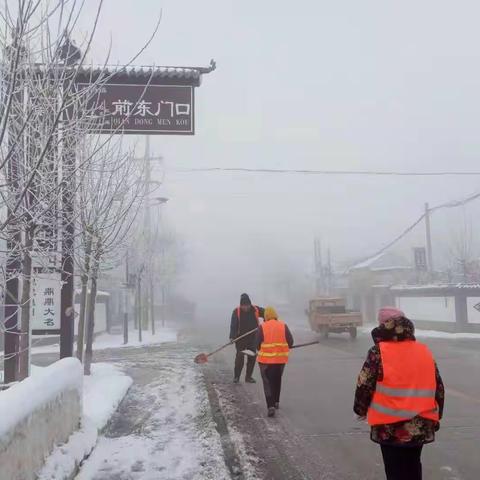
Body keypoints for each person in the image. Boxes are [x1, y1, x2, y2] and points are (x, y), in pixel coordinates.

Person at [354, 307, 445, 480]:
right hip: (420, 423)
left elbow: (365, 384)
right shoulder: (424, 350)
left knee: (395, 470)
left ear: (382, 325)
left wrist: (360, 409)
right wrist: (437, 414)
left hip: (389, 426)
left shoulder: (378, 352)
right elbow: (438, 388)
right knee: (413, 467)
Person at [256, 306, 294, 417]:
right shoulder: (283, 326)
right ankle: (276, 401)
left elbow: (257, 345)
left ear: (266, 316)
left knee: (267, 382)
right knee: (277, 379)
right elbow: (290, 342)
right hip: (280, 360)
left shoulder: (262, 327)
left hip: (265, 361)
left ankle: (270, 405)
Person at [229, 293, 265, 383]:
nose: (246, 307)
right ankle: (236, 377)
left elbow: (267, 314)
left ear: (250, 304)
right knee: (239, 358)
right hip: (240, 338)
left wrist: (268, 321)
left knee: (252, 357)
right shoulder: (236, 311)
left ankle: (248, 377)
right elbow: (233, 325)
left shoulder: (255, 309)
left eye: (247, 305)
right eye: (243, 306)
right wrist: (232, 337)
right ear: (241, 305)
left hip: (253, 338)